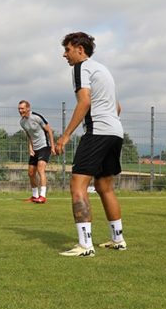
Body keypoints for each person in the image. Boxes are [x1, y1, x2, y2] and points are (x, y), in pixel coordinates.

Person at [53, 32, 127, 257]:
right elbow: (118, 107)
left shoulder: (81, 68)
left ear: (79, 49)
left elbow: (84, 101)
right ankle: (118, 239)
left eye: (67, 50)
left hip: (98, 132)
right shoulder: (103, 70)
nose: (64, 55)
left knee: (78, 185)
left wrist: (65, 136)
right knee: (105, 187)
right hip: (115, 131)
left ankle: (85, 245)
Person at [18, 100, 54, 203]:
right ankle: (35, 196)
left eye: (22, 108)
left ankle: (42, 196)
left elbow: (49, 130)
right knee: (30, 173)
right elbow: (29, 135)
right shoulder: (22, 122)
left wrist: (52, 146)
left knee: (40, 169)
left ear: (28, 108)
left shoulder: (37, 117)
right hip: (35, 149)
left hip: (44, 146)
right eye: (19, 109)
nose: (20, 111)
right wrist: (30, 147)